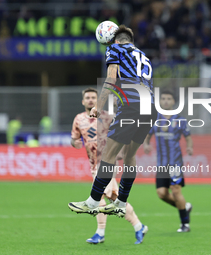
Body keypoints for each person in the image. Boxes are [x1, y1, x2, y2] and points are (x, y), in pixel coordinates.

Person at [69, 24, 157, 220]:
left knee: (109, 153)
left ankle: (92, 202)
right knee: (129, 155)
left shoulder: (115, 48)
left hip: (132, 106)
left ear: (115, 39)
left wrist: (99, 106)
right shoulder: (143, 56)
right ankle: (121, 203)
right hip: (150, 108)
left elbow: (111, 78)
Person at [71, 87, 148, 244]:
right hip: (93, 163)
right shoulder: (78, 119)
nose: (91, 100)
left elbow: (122, 134)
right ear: (83, 101)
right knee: (114, 198)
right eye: (88, 98)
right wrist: (75, 143)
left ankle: (100, 233)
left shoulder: (108, 117)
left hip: (107, 163)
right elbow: (75, 138)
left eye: (94, 97)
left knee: (98, 195)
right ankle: (139, 226)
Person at [143, 90, 193, 232]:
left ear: (173, 102)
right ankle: (186, 207)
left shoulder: (180, 120)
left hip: (175, 162)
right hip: (162, 164)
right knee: (162, 194)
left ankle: (185, 224)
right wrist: (146, 144)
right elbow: (147, 134)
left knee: (176, 191)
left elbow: (188, 137)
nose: (165, 100)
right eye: (163, 98)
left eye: (168, 98)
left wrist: (189, 148)